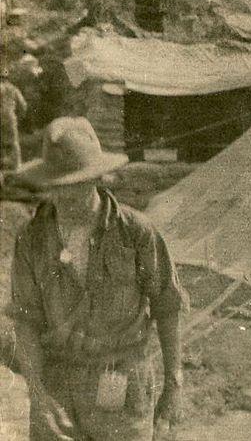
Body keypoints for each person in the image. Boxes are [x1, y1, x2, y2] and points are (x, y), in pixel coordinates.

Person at [8, 117, 187, 440]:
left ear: (98, 178)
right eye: (58, 186)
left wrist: (174, 384)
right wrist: (38, 394)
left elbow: (167, 304)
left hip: (122, 387)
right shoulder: (32, 240)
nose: (66, 196)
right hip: (56, 389)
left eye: (77, 183)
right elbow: (26, 321)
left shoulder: (135, 232)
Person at [1, 73, 28, 171]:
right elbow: (23, 104)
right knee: (14, 141)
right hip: (11, 117)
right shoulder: (14, 89)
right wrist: (20, 115)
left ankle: (3, 165)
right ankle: (17, 165)